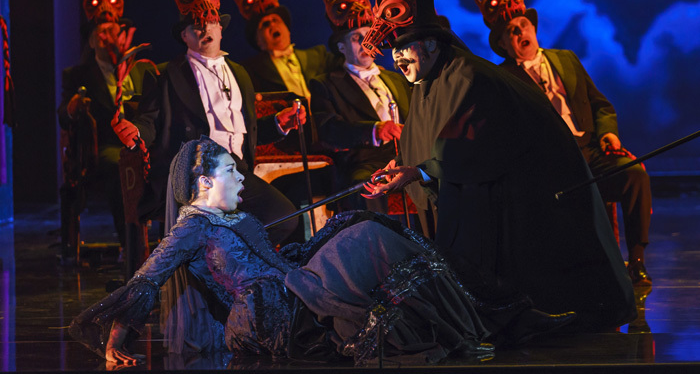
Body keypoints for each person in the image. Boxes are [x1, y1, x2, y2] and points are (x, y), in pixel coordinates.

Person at [69, 135, 579, 367]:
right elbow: (146, 279)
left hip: (291, 283)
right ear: (203, 182)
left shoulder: (228, 216)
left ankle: (490, 317)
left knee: (362, 221)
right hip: (272, 312)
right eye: (230, 171)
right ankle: (477, 324)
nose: (241, 175)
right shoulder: (191, 228)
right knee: (368, 238)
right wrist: (115, 343)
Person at [360, 0, 636, 331]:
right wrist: (403, 164)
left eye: (402, 47)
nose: (396, 59)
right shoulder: (428, 81)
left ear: (430, 44)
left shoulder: (467, 76)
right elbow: (429, 139)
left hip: (529, 190)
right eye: (392, 51)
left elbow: (470, 151)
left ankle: (513, 315)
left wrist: (417, 171)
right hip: (486, 183)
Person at [471, 0, 653, 286]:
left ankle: (635, 261)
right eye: (511, 32)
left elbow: (600, 106)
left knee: (633, 174)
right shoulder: (502, 79)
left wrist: (608, 133)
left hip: (590, 152)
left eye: (523, 26)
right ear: (502, 44)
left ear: (533, 28)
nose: (519, 32)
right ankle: (581, 273)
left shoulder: (565, 59)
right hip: (550, 164)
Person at [111, 0, 302, 245]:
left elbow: (242, 130)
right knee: (223, 225)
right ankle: (222, 272)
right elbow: (149, 121)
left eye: (211, 23)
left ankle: (238, 274)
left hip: (236, 170)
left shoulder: (240, 74)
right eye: (196, 27)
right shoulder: (166, 74)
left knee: (284, 217)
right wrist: (135, 132)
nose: (205, 29)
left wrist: (278, 123)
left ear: (222, 29)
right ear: (184, 35)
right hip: (196, 171)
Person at [58, 0, 151, 251]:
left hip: (144, 141)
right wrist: (74, 106)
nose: (109, 38)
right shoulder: (78, 75)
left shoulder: (142, 68)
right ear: (92, 41)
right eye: (103, 33)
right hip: (107, 148)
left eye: (115, 31)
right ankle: (132, 249)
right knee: (120, 165)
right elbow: (63, 115)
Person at [309, 0, 411, 217]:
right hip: (367, 162)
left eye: (370, 35)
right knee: (366, 185)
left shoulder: (398, 78)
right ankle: (380, 252)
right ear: (342, 47)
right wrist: (374, 130)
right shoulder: (326, 84)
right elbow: (329, 129)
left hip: (409, 156)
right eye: (357, 38)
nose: (367, 43)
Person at [231, 0, 333, 97]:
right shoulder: (248, 72)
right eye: (265, 24)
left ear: (287, 30)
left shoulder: (318, 56)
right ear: (258, 40)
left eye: (276, 20)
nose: (272, 25)